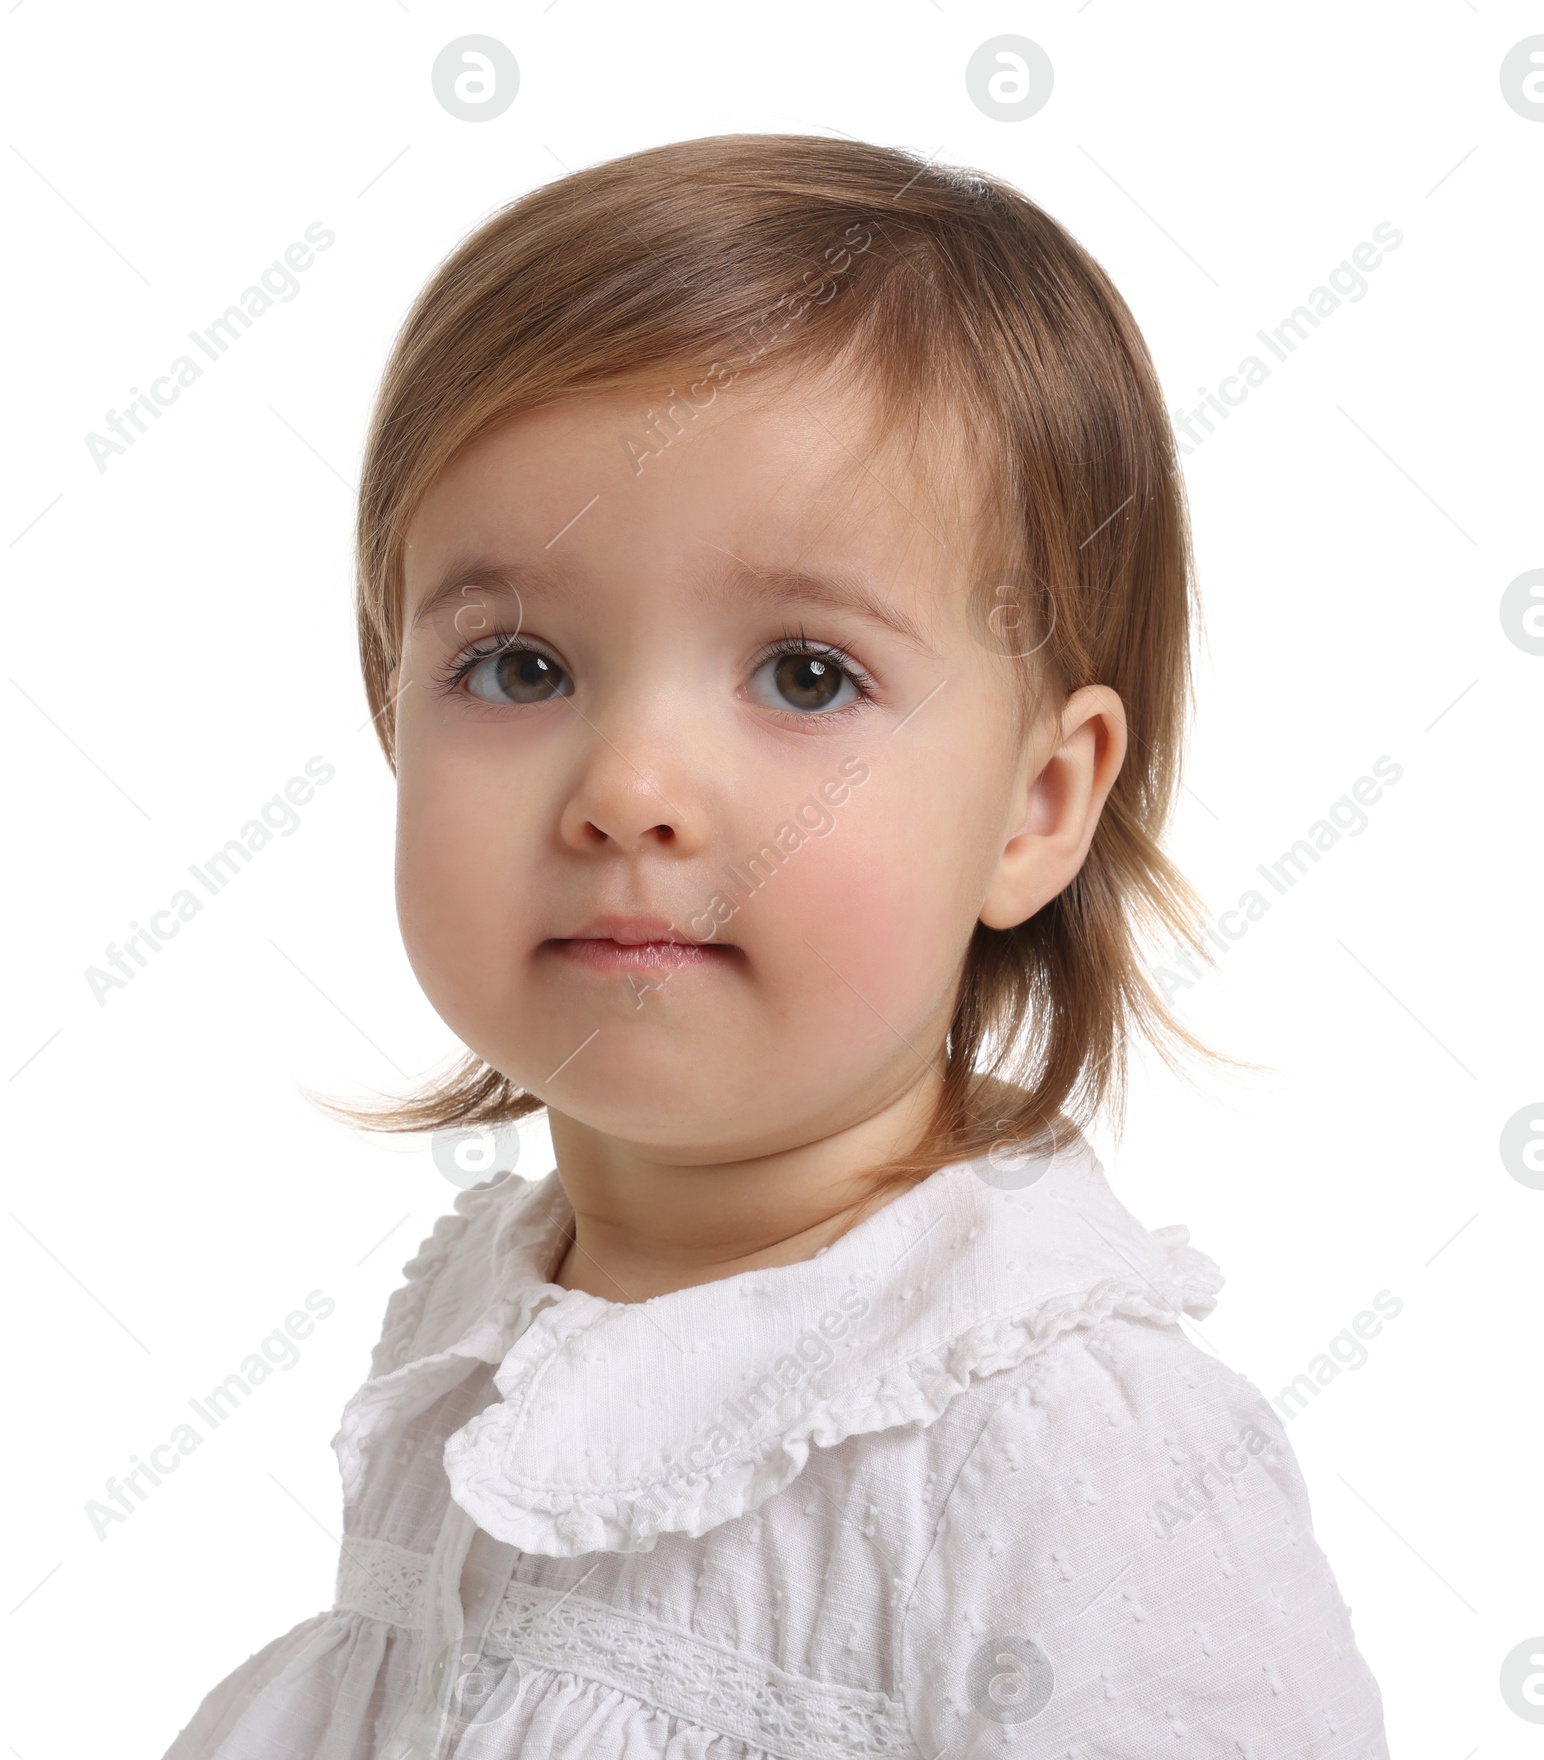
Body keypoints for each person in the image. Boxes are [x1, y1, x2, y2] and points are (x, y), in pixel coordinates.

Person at [165, 133, 1389, 1758]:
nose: (628, 792)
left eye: (806, 677)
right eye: (518, 666)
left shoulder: (1058, 1454)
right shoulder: (484, 1326)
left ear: (1034, 805)